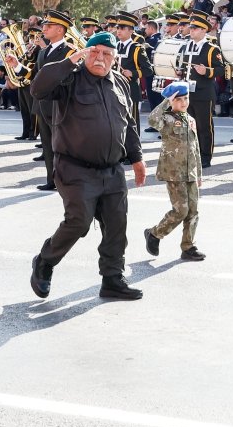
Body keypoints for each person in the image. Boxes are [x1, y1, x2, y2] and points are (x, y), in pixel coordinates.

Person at [28, 32, 147, 301]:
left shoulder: (120, 83)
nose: (100, 58)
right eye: (95, 52)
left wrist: (137, 158)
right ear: (85, 53)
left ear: (115, 59)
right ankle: (45, 261)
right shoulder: (69, 79)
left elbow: (127, 124)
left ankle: (112, 279)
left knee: (117, 224)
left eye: (107, 54)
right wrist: (69, 62)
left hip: (113, 169)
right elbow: (39, 89)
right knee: (79, 222)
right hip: (75, 168)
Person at [144, 81, 204, 262]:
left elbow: (196, 148)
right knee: (180, 211)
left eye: (185, 98)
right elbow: (152, 119)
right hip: (173, 172)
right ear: (171, 101)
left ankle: (188, 247)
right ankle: (154, 234)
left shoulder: (190, 119)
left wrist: (199, 173)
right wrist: (165, 102)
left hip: (190, 172)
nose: (183, 102)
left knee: (193, 211)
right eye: (178, 100)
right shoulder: (167, 119)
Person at [33, 10, 77, 191]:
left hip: (60, 105)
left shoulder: (70, 52)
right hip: (43, 104)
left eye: (48, 26)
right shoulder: (43, 52)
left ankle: (66, 179)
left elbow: (69, 79)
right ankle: (51, 179)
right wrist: (17, 66)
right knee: (47, 144)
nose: (44, 28)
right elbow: (35, 76)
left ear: (60, 29)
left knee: (63, 146)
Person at [183, 13, 225, 168]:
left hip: (204, 92)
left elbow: (222, 69)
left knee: (204, 125)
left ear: (203, 30)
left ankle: (206, 156)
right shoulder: (187, 46)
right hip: (188, 92)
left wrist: (206, 71)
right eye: (191, 27)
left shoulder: (211, 49)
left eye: (195, 28)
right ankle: (193, 154)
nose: (191, 30)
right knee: (190, 126)